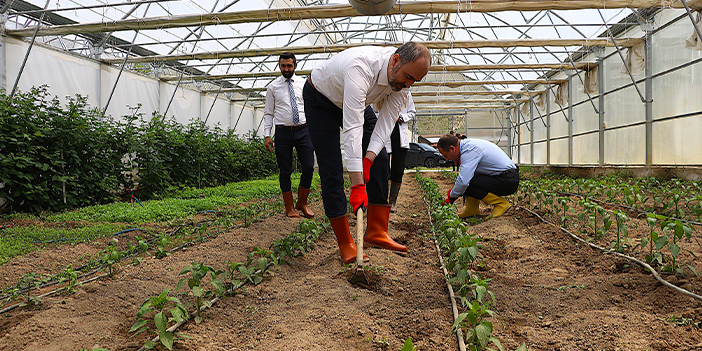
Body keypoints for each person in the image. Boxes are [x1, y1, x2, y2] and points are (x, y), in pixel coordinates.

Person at [303, 42, 431, 264]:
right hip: (321, 101)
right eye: (408, 77)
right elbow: (352, 129)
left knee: (380, 158)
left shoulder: (401, 83)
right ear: (395, 60)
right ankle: (346, 244)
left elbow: (387, 122)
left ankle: (376, 232)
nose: (408, 84)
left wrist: (368, 161)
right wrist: (356, 184)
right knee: (331, 170)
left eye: (414, 81)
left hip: (356, 103)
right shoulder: (361, 67)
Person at [263, 52, 315, 218]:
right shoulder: (273, 87)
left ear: (295, 66)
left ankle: (302, 202)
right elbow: (268, 113)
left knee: (308, 167)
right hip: (283, 133)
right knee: (285, 171)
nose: (286, 69)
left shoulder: (304, 83)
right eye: (283, 65)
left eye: (289, 65)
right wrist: (267, 135)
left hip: (304, 130)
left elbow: (311, 106)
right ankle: (289, 207)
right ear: (279, 66)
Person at [437, 134, 519, 218]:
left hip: (508, 181)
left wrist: (451, 197)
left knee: (467, 182)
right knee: (469, 179)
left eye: (446, 155)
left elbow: (463, 182)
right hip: (503, 177)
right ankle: (471, 210)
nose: (447, 159)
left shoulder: (470, 151)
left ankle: (501, 204)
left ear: (452, 148)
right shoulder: (468, 146)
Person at [385, 92, 415, 213]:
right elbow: (372, 111)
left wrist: (401, 117)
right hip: (384, 130)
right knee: (382, 168)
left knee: (398, 169)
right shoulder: (381, 91)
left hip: (399, 131)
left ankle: (392, 202)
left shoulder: (406, 94)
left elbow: (412, 112)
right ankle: (382, 200)